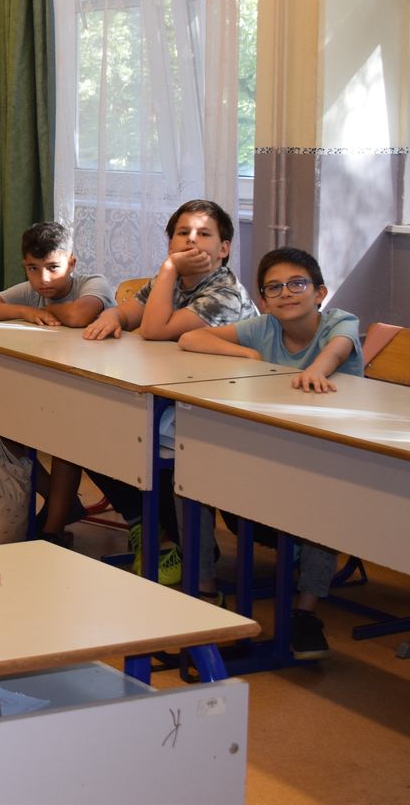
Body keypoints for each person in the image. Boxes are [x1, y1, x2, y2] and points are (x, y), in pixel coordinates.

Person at [178, 246, 359, 658]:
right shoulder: (264, 327)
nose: (286, 293)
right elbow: (190, 337)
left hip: (333, 455)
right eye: (273, 288)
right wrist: (246, 353)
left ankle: (305, 612)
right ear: (262, 301)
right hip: (275, 448)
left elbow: (337, 349)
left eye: (297, 284)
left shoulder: (339, 321)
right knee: (191, 476)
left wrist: (315, 371)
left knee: (324, 502)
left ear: (320, 292)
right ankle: (204, 591)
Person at [82, 198, 258, 592]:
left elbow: (154, 329)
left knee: (137, 438)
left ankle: (182, 541)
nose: (191, 240)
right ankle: (148, 525)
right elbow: (130, 312)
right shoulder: (171, 282)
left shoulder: (225, 292)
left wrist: (167, 268)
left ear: (224, 249)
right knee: (90, 425)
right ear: (170, 242)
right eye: (182, 233)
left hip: (224, 412)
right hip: (174, 401)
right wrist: (111, 315)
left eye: (203, 234)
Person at [0, 222, 114, 545]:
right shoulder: (32, 293)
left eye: (53, 268)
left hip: (97, 394)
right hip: (48, 388)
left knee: (65, 438)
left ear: (71, 262)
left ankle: (52, 531)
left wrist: (35, 310)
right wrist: (24, 311)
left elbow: (79, 315)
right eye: (33, 268)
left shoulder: (92, 283)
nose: (43, 279)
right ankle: (64, 502)